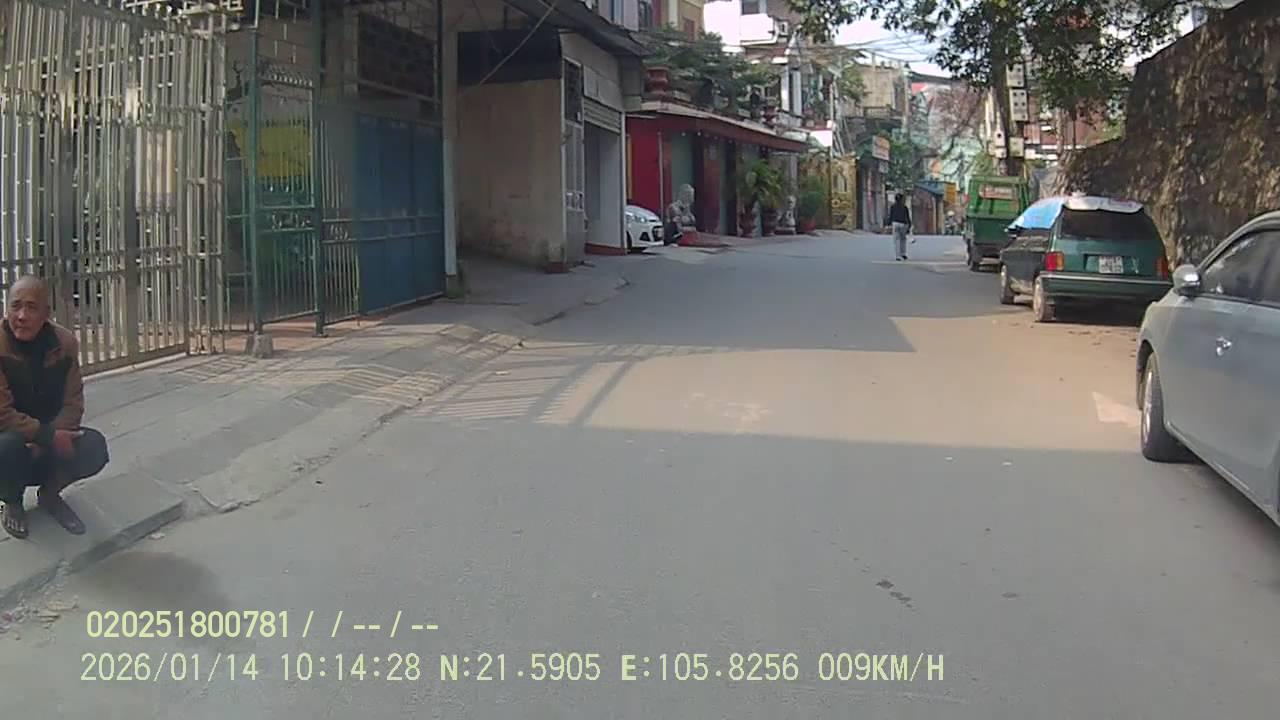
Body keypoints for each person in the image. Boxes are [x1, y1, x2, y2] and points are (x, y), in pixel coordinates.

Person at [0, 275, 109, 538]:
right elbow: (2, 413)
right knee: (7, 446)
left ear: (46, 314)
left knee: (94, 446)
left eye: (31, 307)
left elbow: (73, 402)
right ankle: (12, 502)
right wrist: (46, 436)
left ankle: (50, 494)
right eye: (15, 306)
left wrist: (53, 438)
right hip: (12, 445)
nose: (22, 316)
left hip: (49, 440)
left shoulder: (64, 343)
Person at [887, 193, 913, 260]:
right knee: (903, 239)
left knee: (896, 240)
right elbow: (907, 217)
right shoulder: (904, 207)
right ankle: (903, 254)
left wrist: (888, 224)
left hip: (895, 223)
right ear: (901, 199)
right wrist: (909, 225)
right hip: (903, 224)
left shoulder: (892, 207)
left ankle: (897, 256)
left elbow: (891, 216)